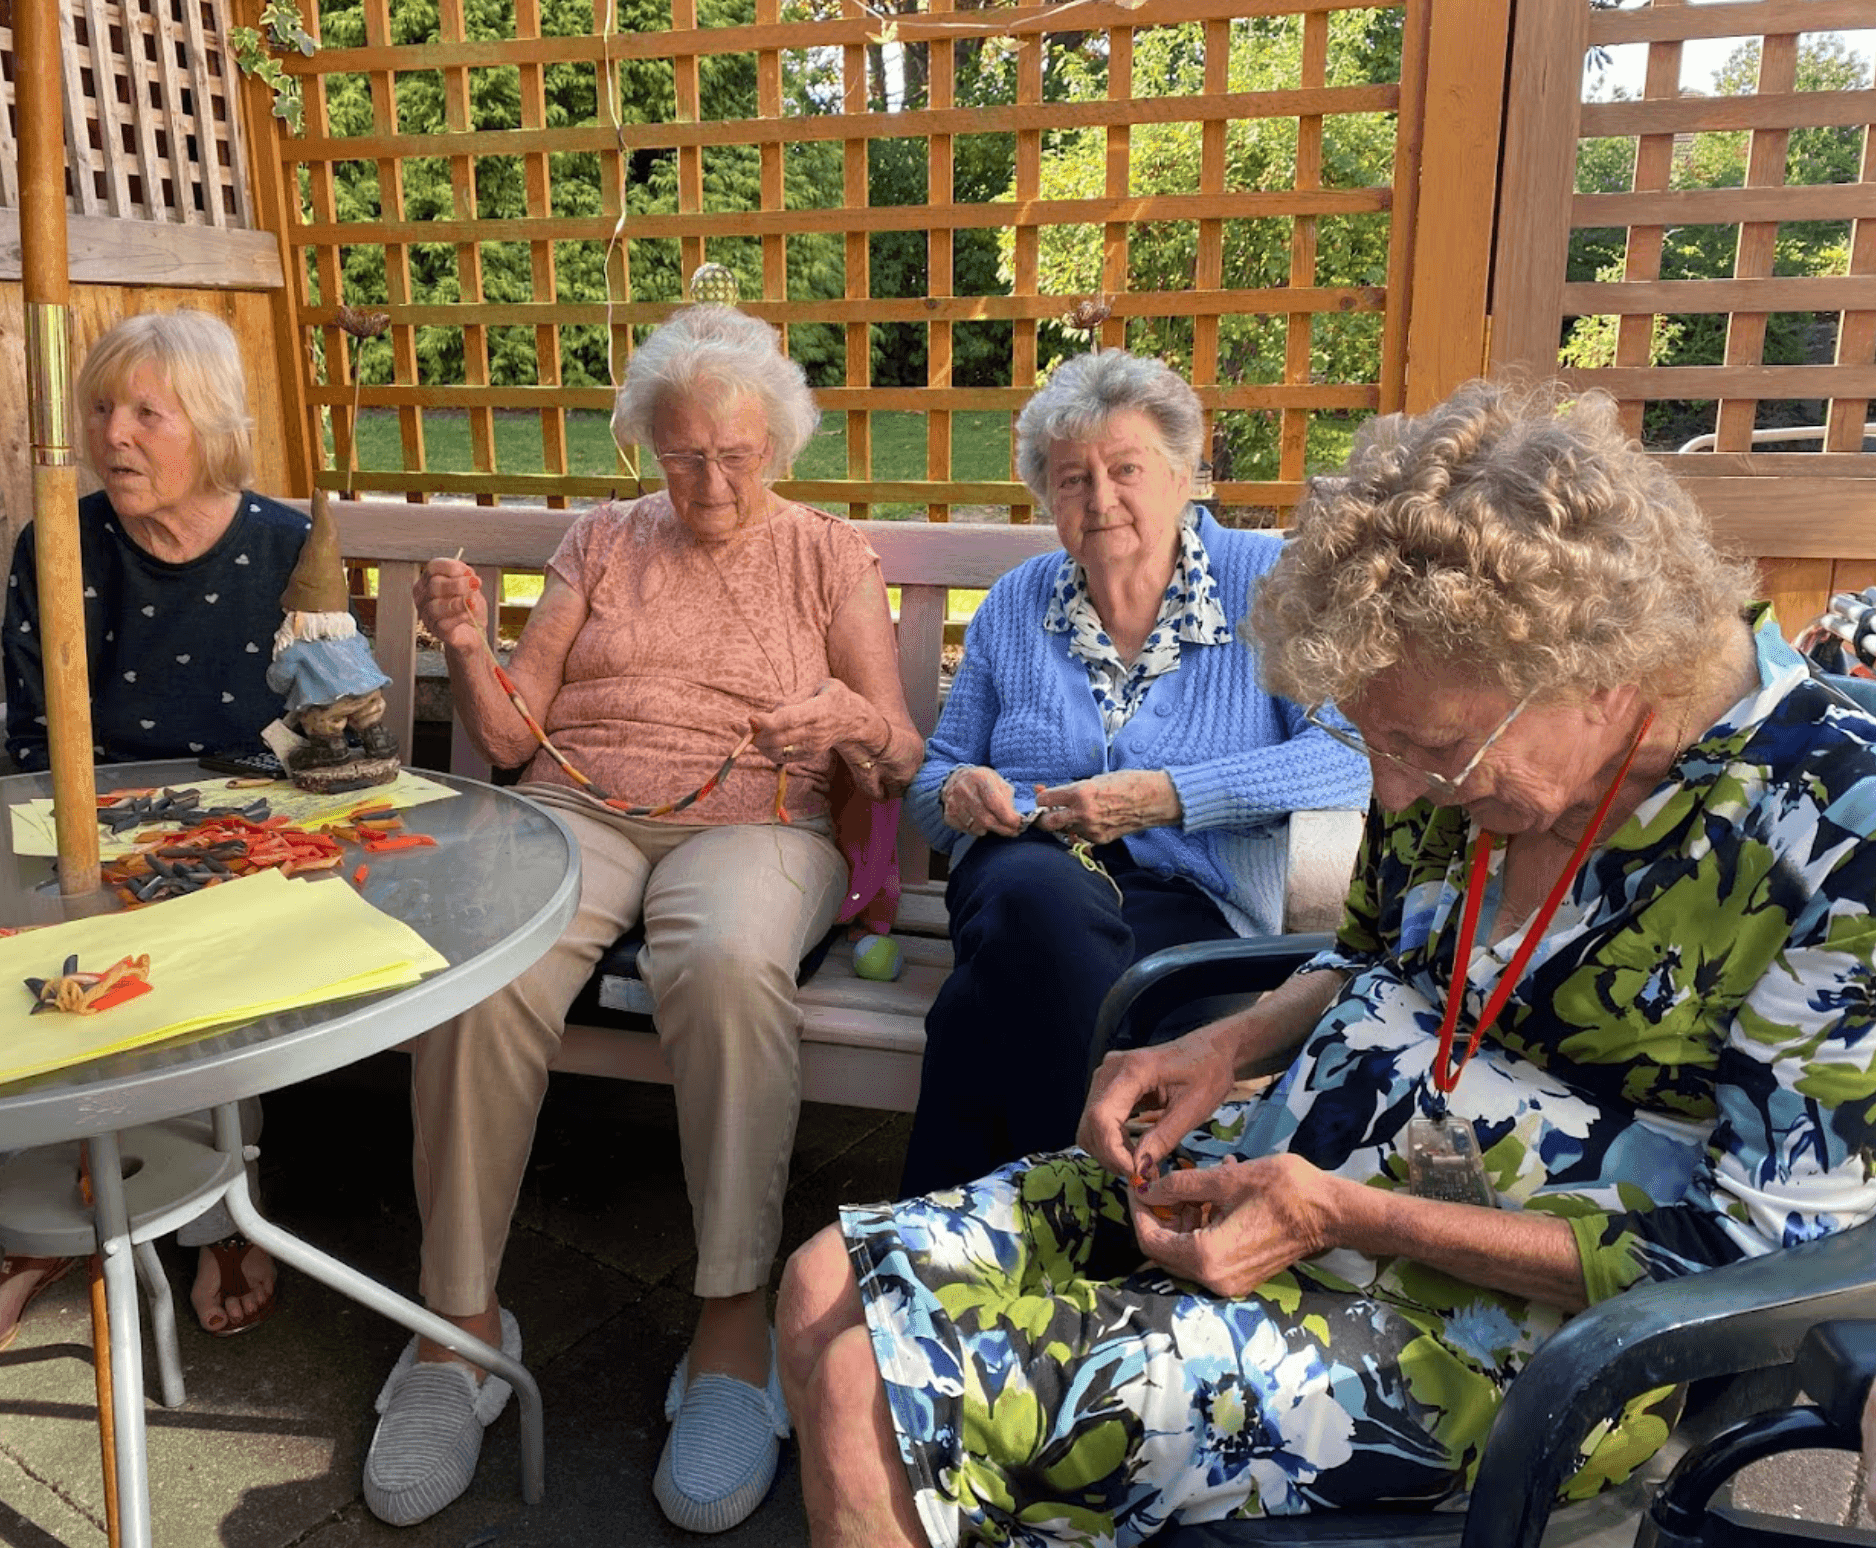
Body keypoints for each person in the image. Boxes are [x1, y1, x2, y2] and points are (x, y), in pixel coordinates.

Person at [777, 378, 1876, 1546]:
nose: (1392, 792)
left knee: (873, 1391)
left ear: (1603, 671)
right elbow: (1366, 959)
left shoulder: (1836, 833)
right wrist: (1224, 1041)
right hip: (1289, 1168)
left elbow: (1755, 1254)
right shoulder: (1456, 737)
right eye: (1370, 741)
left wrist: (1347, 1216)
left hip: (1516, 1326)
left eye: (1429, 751)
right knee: (819, 1284)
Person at [363, 303, 923, 1532]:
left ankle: (732, 1330)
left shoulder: (827, 553)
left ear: (776, 447)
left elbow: (897, 753)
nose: (709, 482)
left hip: (758, 819)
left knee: (725, 964)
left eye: (733, 455)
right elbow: (512, 738)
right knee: (490, 966)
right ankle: (455, 1328)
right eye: (681, 455)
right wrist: (465, 642)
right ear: (645, 450)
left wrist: (837, 718)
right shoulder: (601, 539)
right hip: (578, 803)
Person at [900, 349, 1369, 1196]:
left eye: (1126, 469)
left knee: (985, 1007)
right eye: (1072, 478)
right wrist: (961, 796)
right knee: (1038, 906)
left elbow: (1350, 757)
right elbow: (933, 783)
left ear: (1187, 473)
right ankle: (1100, 1205)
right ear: (1047, 495)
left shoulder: (1268, 584)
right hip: (1025, 873)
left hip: (1191, 903)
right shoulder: (1017, 602)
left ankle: (960, 1225)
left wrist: (1172, 797)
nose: (1100, 499)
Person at [0, 309, 288, 1369]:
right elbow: (29, 727)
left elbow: (331, 730)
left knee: (208, 925)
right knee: (34, 924)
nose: (116, 435)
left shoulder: (281, 545)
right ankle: (45, 1205)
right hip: (86, 813)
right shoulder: (57, 543)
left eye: (150, 412)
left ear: (213, 427)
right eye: (102, 409)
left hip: (246, 822)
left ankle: (217, 1209)